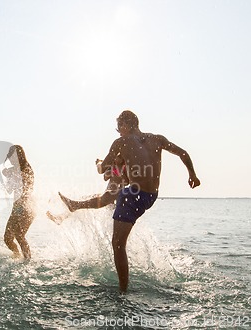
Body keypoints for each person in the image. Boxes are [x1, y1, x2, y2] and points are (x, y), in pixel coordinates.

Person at [101, 110, 200, 293]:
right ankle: (110, 210)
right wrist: (192, 174)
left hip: (132, 195)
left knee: (118, 244)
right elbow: (183, 153)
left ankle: (123, 291)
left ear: (124, 125)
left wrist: (99, 164)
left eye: (119, 128)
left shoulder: (120, 142)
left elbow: (103, 169)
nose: (119, 132)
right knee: (113, 205)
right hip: (150, 196)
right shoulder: (157, 139)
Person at [47, 156, 128, 224]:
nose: (115, 157)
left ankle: (63, 216)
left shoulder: (125, 168)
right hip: (107, 195)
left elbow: (124, 180)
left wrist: (100, 164)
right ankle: (61, 217)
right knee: (81, 200)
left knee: (80, 203)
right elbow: (105, 177)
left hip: (113, 200)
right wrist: (107, 167)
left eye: (118, 156)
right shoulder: (115, 166)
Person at [2, 145, 35, 260]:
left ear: (19, 156)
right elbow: (9, 190)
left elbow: (27, 186)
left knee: (19, 235)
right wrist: (8, 177)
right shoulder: (14, 170)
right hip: (16, 207)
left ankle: (27, 260)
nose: (10, 160)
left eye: (12, 157)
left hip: (27, 206)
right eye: (9, 157)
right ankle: (17, 255)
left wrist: (11, 174)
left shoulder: (26, 168)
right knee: (7, 238)